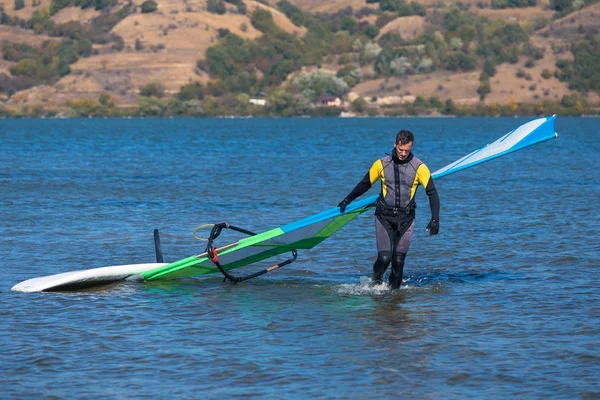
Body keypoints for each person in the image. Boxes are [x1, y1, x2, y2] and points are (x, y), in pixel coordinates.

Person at [338, 129, 440, 289]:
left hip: (406, 219)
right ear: (395, 144)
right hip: (384, 217)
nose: (403, 154)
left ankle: (394, 300)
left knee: (398, 263)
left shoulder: (420, 167)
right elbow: (365, 183)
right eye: (401, 150)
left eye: (407, 150)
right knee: (385, 258)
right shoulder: (382, 164)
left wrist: (435, 220)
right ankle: (376, 283)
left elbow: (432, 193)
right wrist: (347, 199)